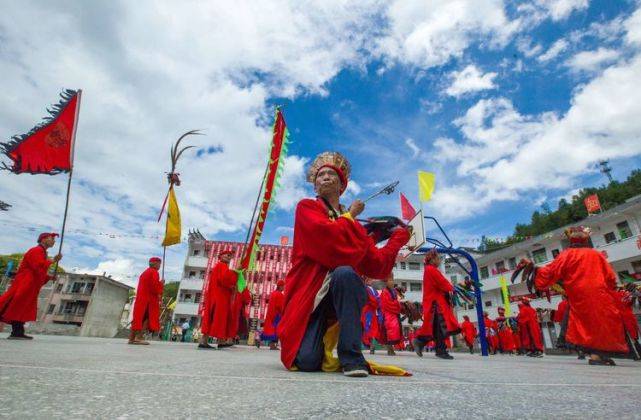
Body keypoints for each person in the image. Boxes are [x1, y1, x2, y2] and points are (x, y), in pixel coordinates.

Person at [277, 151, 410, 377]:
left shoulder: (354, 226)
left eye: (331, 174)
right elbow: (327, 242)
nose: (325, 177)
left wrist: (398, 238)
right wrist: (350, 216)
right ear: (315, 185)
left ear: (342, 186)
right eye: (321, 175)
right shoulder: (307, 208)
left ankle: (352, 358)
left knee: (346, 273)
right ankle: (317, 344)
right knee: (307, 361)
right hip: (312, 298)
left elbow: (376, 265)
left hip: (341, 292)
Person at [523, 226, 629, 365]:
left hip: (580, 295)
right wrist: (610, 289)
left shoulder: (567, 255)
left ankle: (596, 355)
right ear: (585, 240)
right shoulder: (596, 254)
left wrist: (535, 269)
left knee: (587, 324)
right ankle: (599, 354)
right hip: (600, 293)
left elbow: (550, 272)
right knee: (602, 322)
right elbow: (610, 277)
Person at [0, 232, 62, 340]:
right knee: (16, 305)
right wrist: (53, 261)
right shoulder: (36, 250)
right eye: (51, 239)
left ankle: (18, 331)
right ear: (43, 239)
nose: (53, 241)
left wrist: (50, 277)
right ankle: (17, 332)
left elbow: (39, 271)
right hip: (24, 283)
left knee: (20, 306)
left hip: (30, 284)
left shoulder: (43, 253)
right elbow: (37, 266)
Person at [413, 249, 460, 360]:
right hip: (436, 304)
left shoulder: (429, 270)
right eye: (438, 258)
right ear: (432, 259)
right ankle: (440, 350)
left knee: (435, 328)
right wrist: (453, 288)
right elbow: (442, 283)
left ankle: (420, 342)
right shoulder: (431, 270)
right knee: (440, 327)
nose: (439, 260)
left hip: (434, 303)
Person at [199, 249, 237, 349]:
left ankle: (217, 341)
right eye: (226, 255)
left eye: (230, 256)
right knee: (218, 317)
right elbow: (224, 280)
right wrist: (234, 275)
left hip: (216, 296)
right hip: (219, 296)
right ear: (220, 256)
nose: (228, 257)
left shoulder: (219, 266)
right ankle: (213, 341)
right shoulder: (222, 266)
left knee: (214, 317)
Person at [129, 257, 164, 345]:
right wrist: (161, 284)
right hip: (148, 300)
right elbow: (154, 288)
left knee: (138, 318)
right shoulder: (154, 272)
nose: (160, 266)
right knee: (146, 318)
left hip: (141, 298)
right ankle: (139, 337)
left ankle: (132, 338)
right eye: (159, 263)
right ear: (155, 263)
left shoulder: (145, 272)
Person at [380, 275, 403, 356]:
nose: (392, 282)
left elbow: (398, 301)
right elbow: (387, 304)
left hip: (394, 314)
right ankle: (390, 349)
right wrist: (397, 303)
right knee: (389, 332)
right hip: (388, 315)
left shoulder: (394, 291)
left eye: (392, 280)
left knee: (394, 332)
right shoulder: (384, 292)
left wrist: (398, 304)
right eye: (390, 280)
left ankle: (391, 349)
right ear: (386, 282)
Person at [262, 280, 286, 350]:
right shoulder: (280, 295)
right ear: (280, 286)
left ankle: (272, 345)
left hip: (270, 314)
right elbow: (280, 306)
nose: (284, 288)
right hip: (276, 315)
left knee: (271, 329)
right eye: (283, 286)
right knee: (276, 330)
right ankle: (272, 345)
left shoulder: (273, 293)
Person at [361, 277, 381, 354]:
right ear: (367, 281)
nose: (372, 281)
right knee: (367, 328)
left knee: (374, 329)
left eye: (372, 279)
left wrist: (377, 303)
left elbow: (379, 300)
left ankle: (372, 345)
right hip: (367, 311)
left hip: (373, 312)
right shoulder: (365, 289)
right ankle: (369, 345)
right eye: (370, 279)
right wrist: (376, 302)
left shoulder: (374, 290)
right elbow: (371, 299)